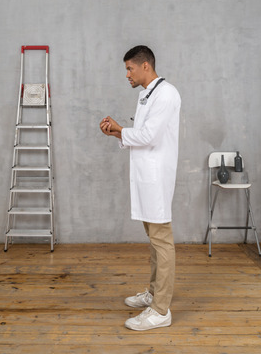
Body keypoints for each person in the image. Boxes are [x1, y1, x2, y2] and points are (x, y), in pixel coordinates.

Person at [100, 45, 181, 331]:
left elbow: (149, 135)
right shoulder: (146, 95)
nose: (127, 74)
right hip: (146, 176)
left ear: (145, 66)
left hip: (157, 178)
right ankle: (153, 292)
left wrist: (121, 129)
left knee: (161, 240)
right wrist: (117, 134)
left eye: (129, 68)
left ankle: (161, 310)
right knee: (153, 238)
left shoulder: (167, 93)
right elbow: (141, 136)